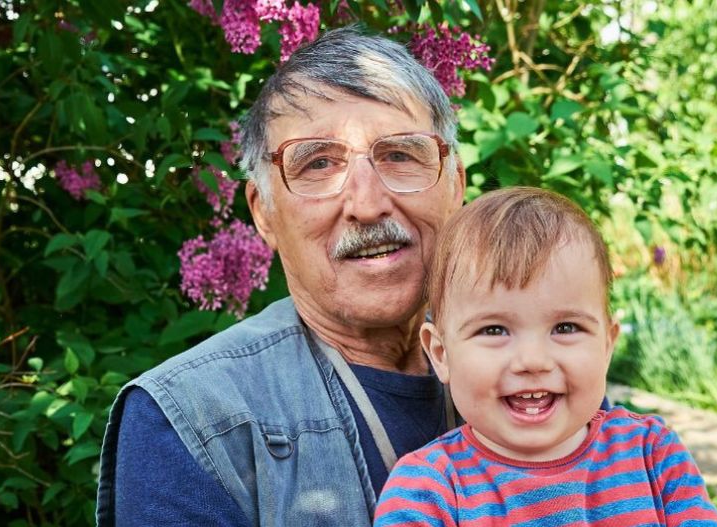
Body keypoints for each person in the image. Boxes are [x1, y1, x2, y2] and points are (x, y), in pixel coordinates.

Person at [95, 27, 468, 526]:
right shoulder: (190, 422)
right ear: (263, 213)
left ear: (455, 186)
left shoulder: (540, 356)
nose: (368, 204)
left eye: (400, 154)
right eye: (317, 164)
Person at [373, 187, 717, 526]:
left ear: (606, 345)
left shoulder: (653, 456)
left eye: (566, 328)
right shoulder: (428, 492)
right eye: (494, 330)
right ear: (441, 353)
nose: (533, 360)